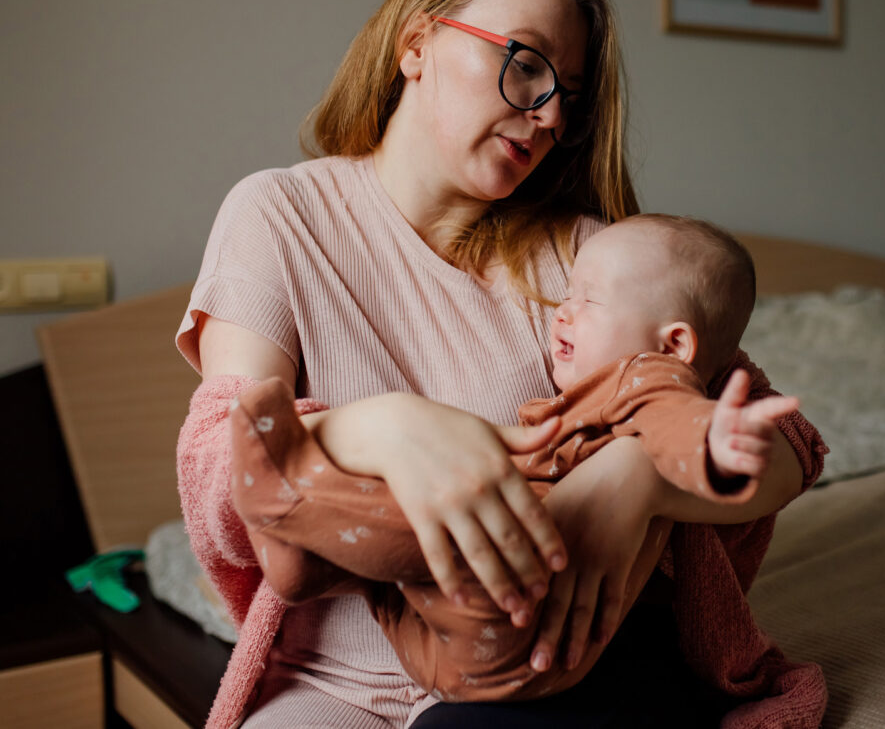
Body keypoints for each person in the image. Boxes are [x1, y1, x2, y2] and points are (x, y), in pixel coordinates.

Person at [175, 0, 828, 729]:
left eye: (571, 95)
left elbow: (784, 438)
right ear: (418, 44)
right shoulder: (281, 216)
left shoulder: (587, 256)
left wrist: (638, 478)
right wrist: (376, 426)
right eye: (526, 65)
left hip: (545, 670)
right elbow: (222, 469)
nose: (551, 112)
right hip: (337, 680)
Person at [227, 214, 802, 704]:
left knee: (447, 526)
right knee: (409, 552)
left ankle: (299, 503)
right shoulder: (578, 399)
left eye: (588, 299)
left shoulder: (650, 378)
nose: (562, 312)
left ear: (673, 344)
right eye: (567, 294)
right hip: (453, 650)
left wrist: (715, 443)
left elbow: (680, 422)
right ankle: (313, 561)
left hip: (529, 622)